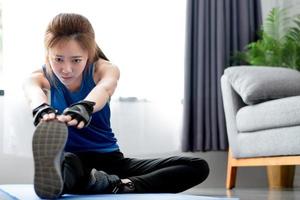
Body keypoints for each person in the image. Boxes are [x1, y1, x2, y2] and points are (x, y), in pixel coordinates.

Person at [23, 13, 209, 199]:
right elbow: (33, 91)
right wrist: (41, 108)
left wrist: (85, 106)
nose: (66, 69)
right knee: (68, 165)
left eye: (76, 60)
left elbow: (105, 88)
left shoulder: (103, 69)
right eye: (58, 59)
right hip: (73, 161)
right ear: (48, 52)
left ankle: (119, 185)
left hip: (111, 161)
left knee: (197, 166)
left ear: (89, 53)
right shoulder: (40, 75)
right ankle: (81, 181)